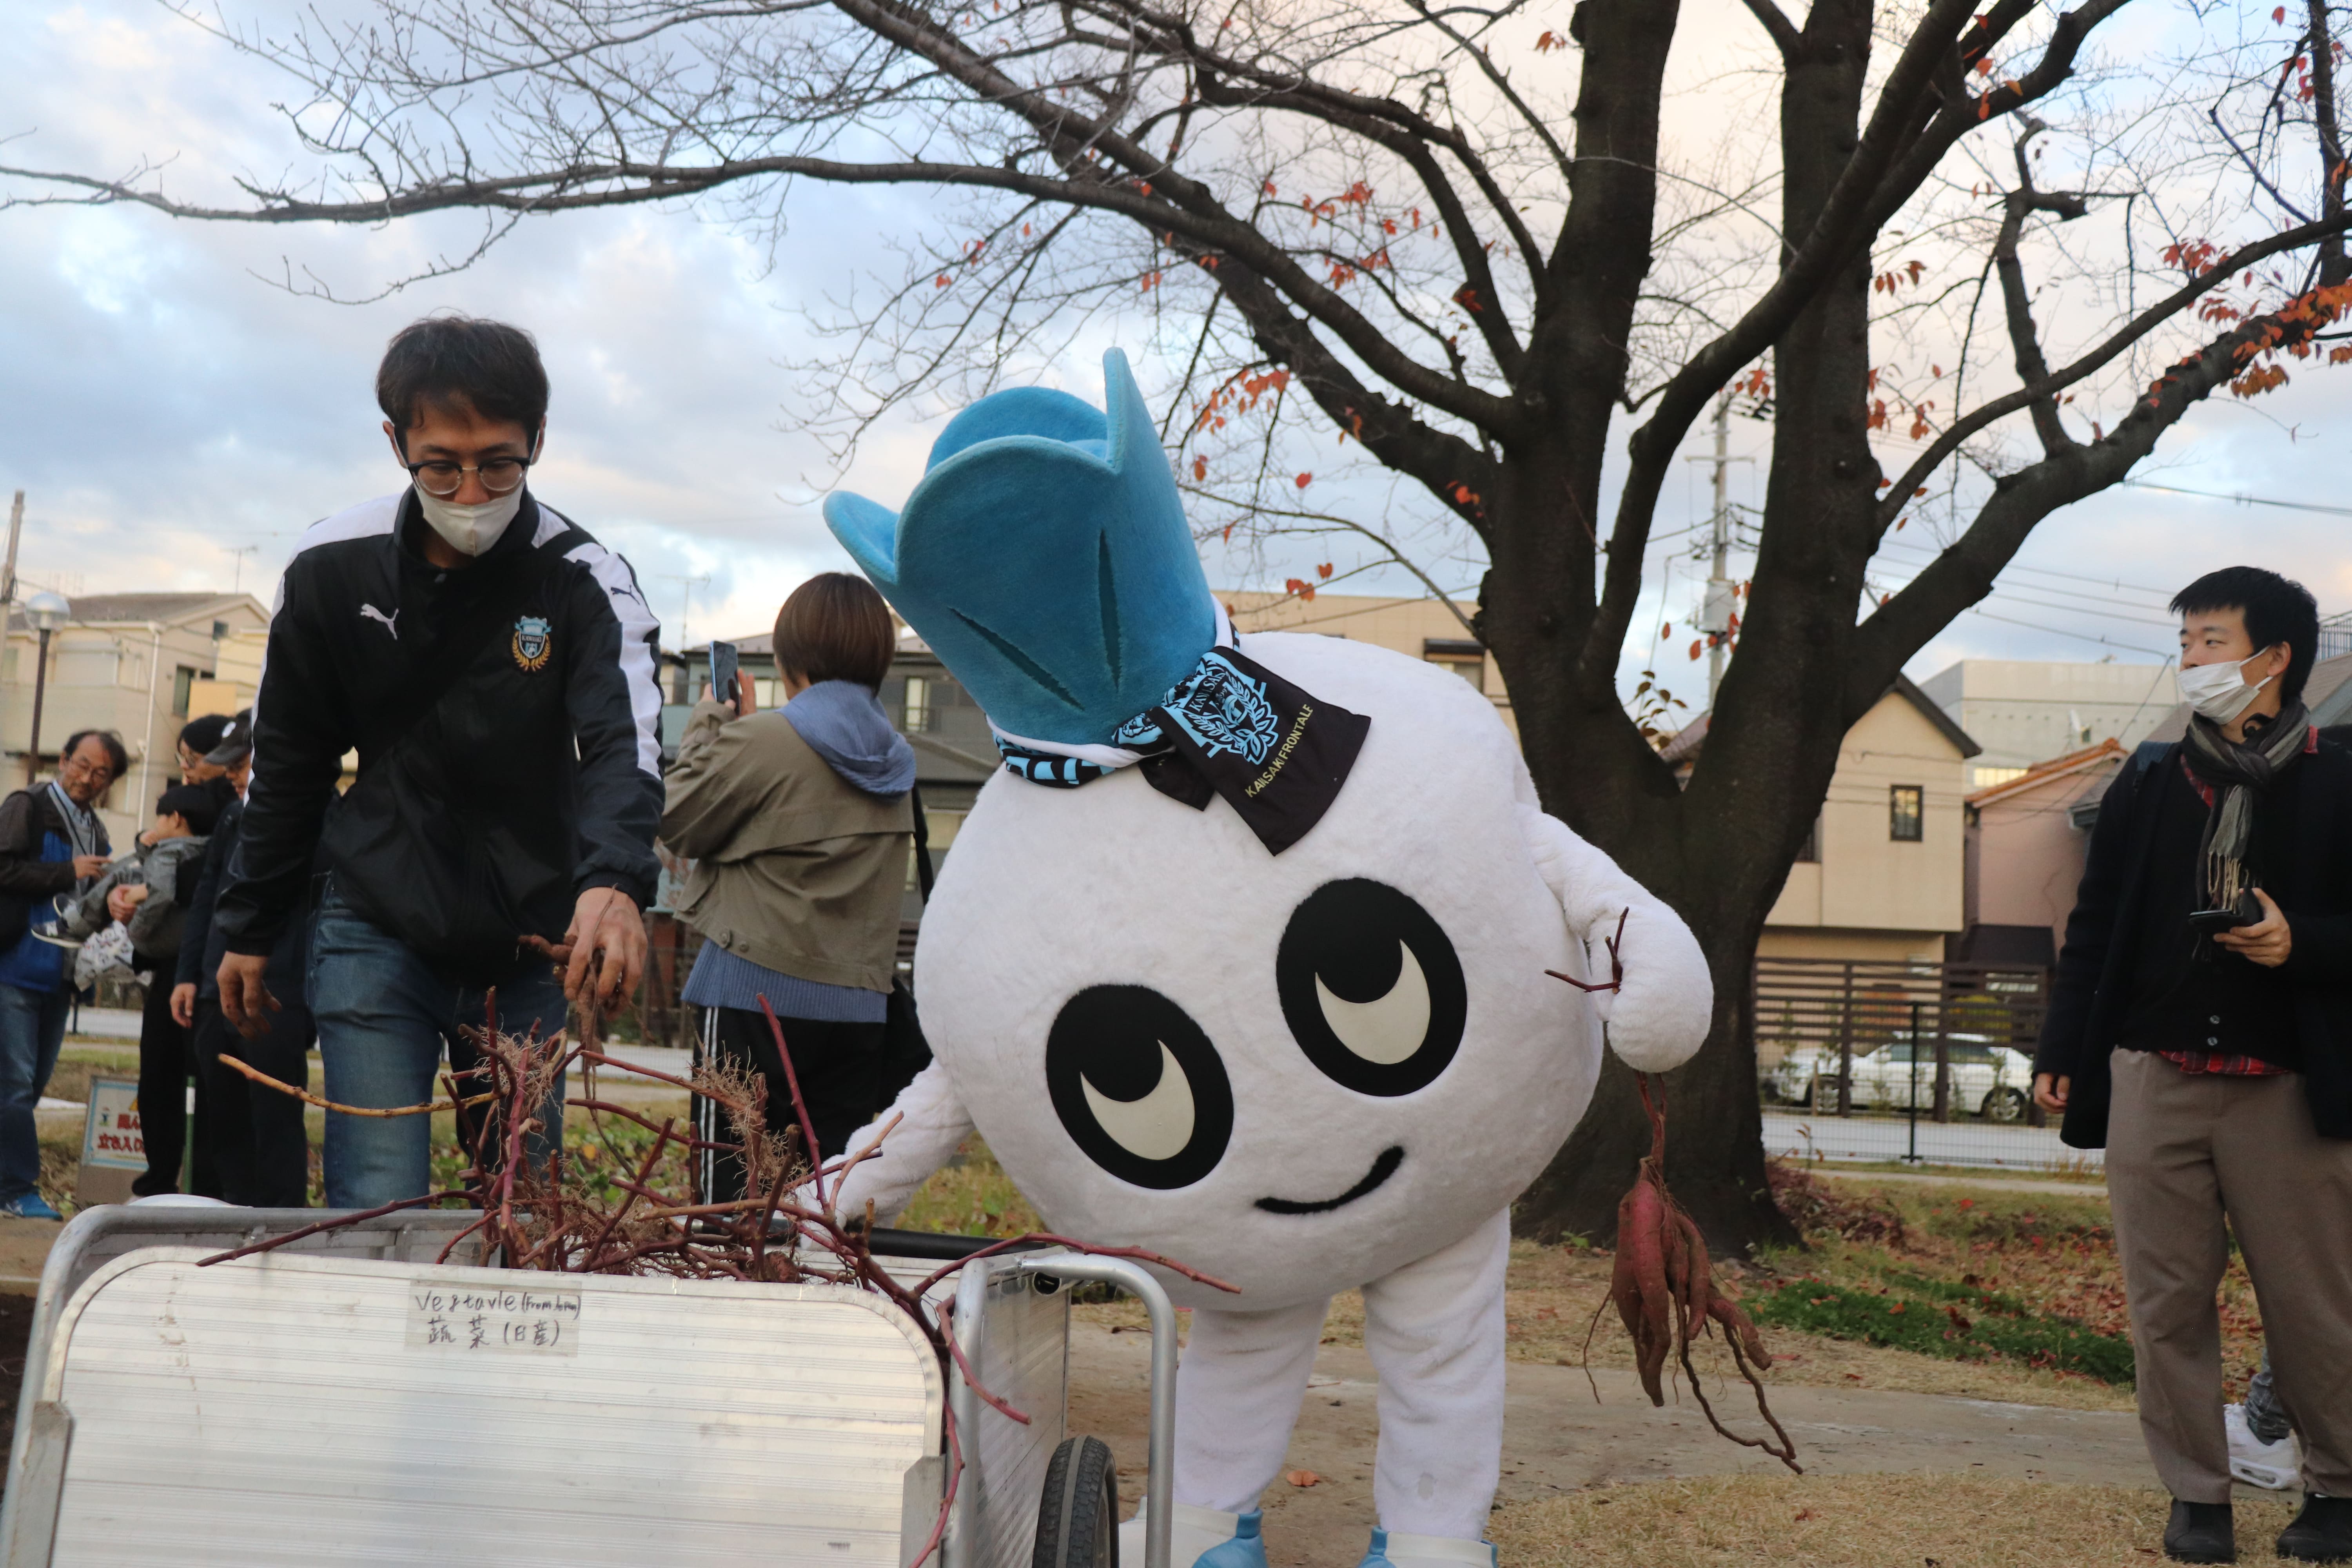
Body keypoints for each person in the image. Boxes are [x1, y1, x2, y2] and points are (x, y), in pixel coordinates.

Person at [211, 314, 662, 1209]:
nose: (470, 489)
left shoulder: (584, 577)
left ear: (538, 440)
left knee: (524, 1198)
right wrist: (251, 922)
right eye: (440, 464)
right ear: (396, 444)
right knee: (377, 1191)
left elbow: (626, 740)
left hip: (533, 932)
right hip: (376, 915)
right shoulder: (330, 568)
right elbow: (292, 759)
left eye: (499, 461)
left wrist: (612, 880)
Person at [2033, 566, 2352, 1564]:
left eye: (2209, 642)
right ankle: (2196, 1496)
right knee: (2165, 1300)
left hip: (2290, 1083)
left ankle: (2339, 1488)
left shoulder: (2340, 778)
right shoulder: (2147, 779)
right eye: (2186, 643)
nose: (2191, 662)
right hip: (2152, 1072)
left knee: (2313, 1303)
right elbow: (2093, 926)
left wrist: (2301, 941)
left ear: (2275, 656)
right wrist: (2063, 1046)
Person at [660, 574, 915, 1191]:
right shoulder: (897, 757)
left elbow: (677, 822)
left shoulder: (764, 739)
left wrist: (707, 728)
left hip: (754, 996)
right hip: (857, 1012)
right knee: (824, 1210)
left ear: (788, 656)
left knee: (727, 1209)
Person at [34, 780, 220, 1195]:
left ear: (176, 819)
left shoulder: (174, 851)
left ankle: (163, 1181)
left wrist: (136, 933)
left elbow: (160, 891)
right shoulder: (203, 844)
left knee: (163, 1077)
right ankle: (201, 1186)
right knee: (189, 1080)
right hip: (190, 963)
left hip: (180, 966)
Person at [172, 712, 311, 1205]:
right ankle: (231, 1215)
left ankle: (284, 1225)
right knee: (222, 1117)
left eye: (242, 763)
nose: (232, 774)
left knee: (275, 1117)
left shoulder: (317, 815)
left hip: (276, 993)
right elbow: (207, 900)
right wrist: (189, 974)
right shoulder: (233, 817)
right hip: (214, 990)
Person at [0, 730, 125, 1219]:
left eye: (101, 773)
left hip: (62, 975)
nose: (87, 778)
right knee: (13, 1084)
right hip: (14, 967)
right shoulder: (26, 806)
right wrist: (67, 872)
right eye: (81, 764)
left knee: (28, 1089)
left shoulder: (94, 828)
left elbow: (89, 898)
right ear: (64, 759)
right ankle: (17, 1187)